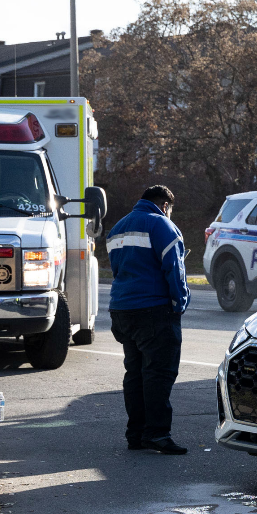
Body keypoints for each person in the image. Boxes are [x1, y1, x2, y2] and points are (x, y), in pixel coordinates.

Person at [105, 185, 190, 455]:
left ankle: (137, 433)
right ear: (165, 205)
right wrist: (179, 303)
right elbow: (175, 269)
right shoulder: (161, 225)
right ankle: (157, 434)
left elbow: (118, 269)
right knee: (158, 373)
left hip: (122, 310)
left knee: (135, 373)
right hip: (153, 310)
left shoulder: (117, 227)